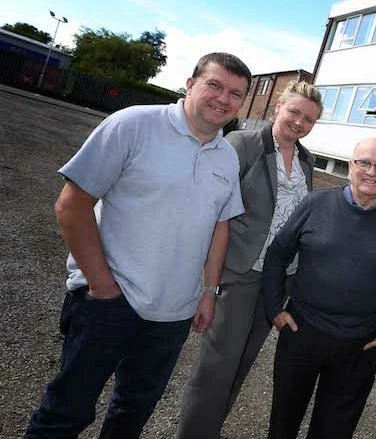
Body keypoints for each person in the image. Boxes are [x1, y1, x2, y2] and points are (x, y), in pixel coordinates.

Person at [24, 52, 251, 438]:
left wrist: (209, 292)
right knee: (66, 413)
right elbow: (72, 204)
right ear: (191, 84)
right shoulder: (133, 124)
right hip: (108, 304)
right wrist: (100, 285)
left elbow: (220, 227)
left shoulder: (227, 157)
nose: (223, 99)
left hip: (172, 317)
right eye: (214, 85)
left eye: (235, 93)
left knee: (131, 414)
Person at [176, 80, 323, 439]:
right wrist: (209, 283)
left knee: (242, 363)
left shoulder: (307, 160)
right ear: (278, 108)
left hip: (277, 279)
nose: (300, 123)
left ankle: (211, 429)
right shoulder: (242, 144)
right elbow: (215, 208)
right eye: (294, 113)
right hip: (239, 271)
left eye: (309, 120)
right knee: (217, 366)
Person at [262, 138, 376, 439]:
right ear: (350, 165)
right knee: (283, 423)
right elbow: (277, 255)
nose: (372, 171)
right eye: (364, 162)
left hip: (359, 345)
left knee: (334, 431)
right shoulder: (314, 204)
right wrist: (275, 309)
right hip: (302, 333)